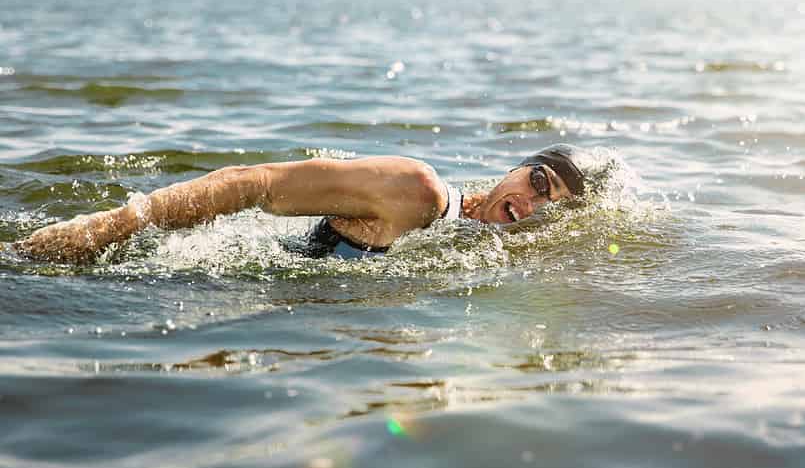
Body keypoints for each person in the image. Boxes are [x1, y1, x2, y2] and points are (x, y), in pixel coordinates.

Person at [15, 144, 594, 264]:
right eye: (540, 182)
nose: (536, 205)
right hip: (187, 295)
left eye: (556, 205)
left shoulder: (493, 253)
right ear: (516, 169)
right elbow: (257, 180)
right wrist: (105, 229)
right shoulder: (419, 191)